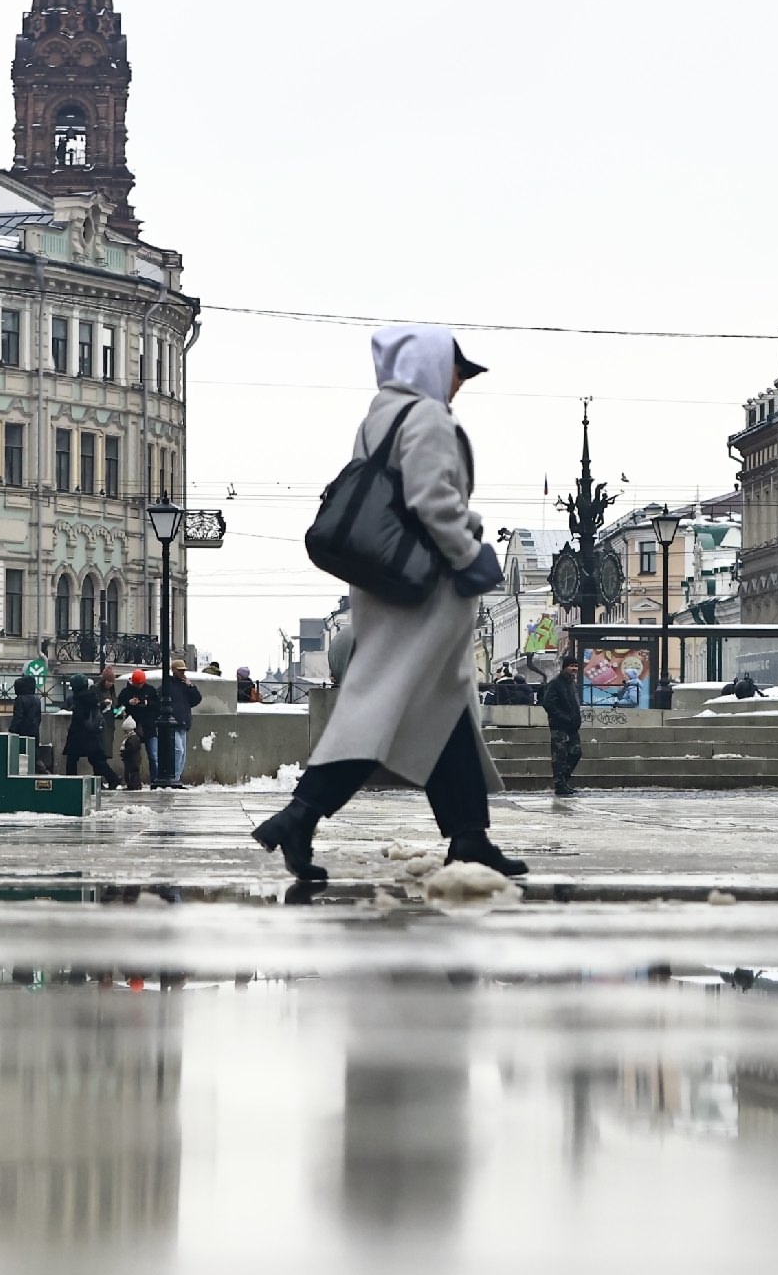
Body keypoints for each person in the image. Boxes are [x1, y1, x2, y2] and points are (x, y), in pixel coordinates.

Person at [249, 326, 522, 881]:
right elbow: (432, 499)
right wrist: (470, 551)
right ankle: (300, 815)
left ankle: (469, 835)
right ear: (427, 367)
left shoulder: (378, 419)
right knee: (380, 711)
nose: (459, 384)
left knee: (441, 710)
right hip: (424, 589)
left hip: (386, 583)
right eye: (455, 371)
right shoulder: (425, 418)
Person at [154, 660, 202, 788]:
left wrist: (190, 686)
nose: (182, 673)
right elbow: (157, 699)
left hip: (183, 723)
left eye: (183, 671)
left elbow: (197, 699)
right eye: (180, 670)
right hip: (172, 724)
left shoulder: (184, 685)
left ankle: (177, 778)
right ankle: (173, 777)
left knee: (183, 753)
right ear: (173, 670)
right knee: (178, 750)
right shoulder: (167, 685)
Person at [62, 673, 116, 787]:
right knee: (96, 760)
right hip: (91, 734)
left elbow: (80, 716)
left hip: (79, 734)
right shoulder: (91, 696)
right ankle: (113, 778)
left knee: (72, 759)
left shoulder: (78, 698)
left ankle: (70, 782)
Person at [541, 656, 584, 797]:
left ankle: (564, 779)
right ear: (564, 667)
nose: (574, 669)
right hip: (559, 726)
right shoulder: (555, 683)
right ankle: (560, 783)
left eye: (576, 666)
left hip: (572, 726)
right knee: (559, 756)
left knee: (576, 752)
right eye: (571, 666)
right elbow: (548, 704)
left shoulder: (572, 684)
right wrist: (564, 718)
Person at [117, 667, 158, 788]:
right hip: (133, 728)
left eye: (141, 684)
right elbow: (118, 707)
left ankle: (155, 780)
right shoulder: (126, 692)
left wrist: (147, 703)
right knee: (133, 757)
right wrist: (129, 703)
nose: (139, 686)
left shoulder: (150, 690)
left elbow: (158, 706)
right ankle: (134, 781)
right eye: (137, 683)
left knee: (153, 756)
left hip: (149, 726)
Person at [9, 672, 46, 769]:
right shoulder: (37, 699)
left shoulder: (20, 699)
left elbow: (18, 716)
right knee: (34, 753)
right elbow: (39, 717)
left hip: (22, 731)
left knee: (21, 755)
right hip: (34, 730)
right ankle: (40, 768)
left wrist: (12, 730)